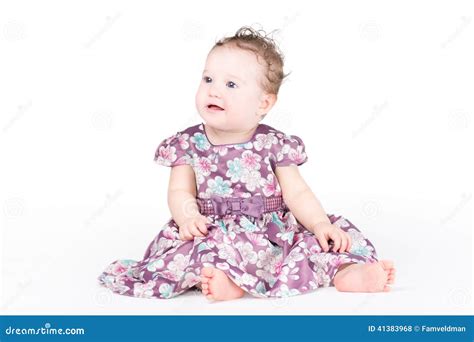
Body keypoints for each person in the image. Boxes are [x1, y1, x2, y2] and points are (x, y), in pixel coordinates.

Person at [98, 26, 396, 301]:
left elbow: (297, 193)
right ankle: (229, 282)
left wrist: (319, 223)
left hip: (271, 234)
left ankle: (348, 273)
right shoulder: (188, 144)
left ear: (263, 103)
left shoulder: (274, 144)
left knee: (319, 244)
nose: (214, 90)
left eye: (230, 84)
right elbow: (180, 192)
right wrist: (188, 218)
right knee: (202, 252)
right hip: (214, 229)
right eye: (208, 79)